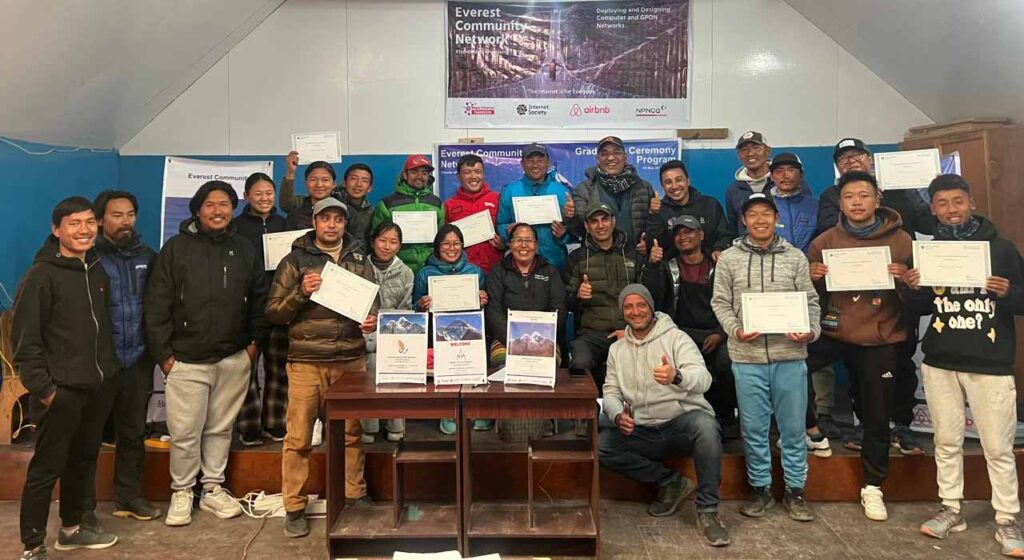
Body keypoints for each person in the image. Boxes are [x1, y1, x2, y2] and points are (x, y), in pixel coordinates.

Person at [903, 174, 1024, 556]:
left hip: (990, 362)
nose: (951, 210)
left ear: (971, 202)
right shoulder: (928, 252)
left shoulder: (1001, 249)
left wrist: (1008, 293)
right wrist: (912, 286)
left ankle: (1007, 518)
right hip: (940, 360)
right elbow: (920, 308)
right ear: (933, 209)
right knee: (947, 440)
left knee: (997, 446)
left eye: (957, 201)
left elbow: (1023, 301)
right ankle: (951, 508)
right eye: (942, 203)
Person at [144, 181, 270, 527]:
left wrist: (252, 346)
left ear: (233, 209)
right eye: (211, 205)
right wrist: (165, 356)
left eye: (225, 204)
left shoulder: (244, 248)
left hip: (233, 357)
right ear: (198, 210)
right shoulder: (176, 249)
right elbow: (156, 305)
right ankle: (182, 491)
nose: (218, 211)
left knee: (220, 429)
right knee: (185, 431)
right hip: (185, 359)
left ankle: (212, 488)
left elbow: (260, 298)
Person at [265, 197, 379, 538]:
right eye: (324, 218)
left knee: (351, 434)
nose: (331, 225)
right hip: (306, 362)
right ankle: (294, 506)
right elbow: (274, 313)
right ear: (314, 222)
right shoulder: (294, 260)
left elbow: (373, 303)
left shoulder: (360, 259)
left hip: (350, 359)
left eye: (337, 220)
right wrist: (301, 292)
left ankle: (354, 494)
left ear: (345, 224)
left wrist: (372, 320)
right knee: (299, 437)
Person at [15, 197, 120, 559]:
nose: (84, 230)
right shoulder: (41, 276)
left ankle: (72, 529)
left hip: (97, 387)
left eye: (90, 222)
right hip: (60, 393)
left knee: (82, 462)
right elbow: (25, 344)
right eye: (74, 223)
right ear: (56, 229)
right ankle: (32, 545)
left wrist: (109, 375)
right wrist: (45, 392)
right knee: (46, 469)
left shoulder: (97, 270)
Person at [805, 171, 913, 522]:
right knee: (788, 365)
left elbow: (922, 299)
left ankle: (873, 486)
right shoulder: (824, 241)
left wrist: (906, 280)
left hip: (880, 336)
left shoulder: (902, 243)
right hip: (836, 331)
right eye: (849, 196)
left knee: (876, 415)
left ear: (877, 199)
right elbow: (810, 297)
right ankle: (811, 431)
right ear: (840, 202)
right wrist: (813, 278)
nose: (856, 202)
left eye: (863, 195)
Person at [816, 138, 933, 454]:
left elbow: (927, 220)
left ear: (871, 159)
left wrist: (924, 186)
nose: (851, 161)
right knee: (859, 366)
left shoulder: (899, 189)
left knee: (903, 363)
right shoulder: (830, 196)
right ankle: (866, 425)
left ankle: (902, 425)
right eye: (843, 158)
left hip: (894, 299)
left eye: (857, 155)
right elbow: (829, 230)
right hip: (851, 296)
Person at [711, 192, 821, 523]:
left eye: (766, 214)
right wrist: (734, 329)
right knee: (754, 429)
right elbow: (720, 302)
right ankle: (759, 489)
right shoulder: (729, 258)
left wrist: (810, 331)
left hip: (790, 355)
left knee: (791, 429)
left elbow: (811, 303)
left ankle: (795, 491)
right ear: (744, 220)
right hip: (747, 356)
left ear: (776, 218)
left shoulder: (796, 257)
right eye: (753, 215)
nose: (760, 220)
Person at [600, 284, 729, 547]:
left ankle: (708, 513)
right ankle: (671, 482)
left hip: (680, 424)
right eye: (629, 306)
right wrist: (616, 415)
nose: (636, 311)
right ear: (622, 312)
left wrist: (676, 376)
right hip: (644, 428)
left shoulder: (676, 338)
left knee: (706, 427)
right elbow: (611, 392)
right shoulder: (617, 350)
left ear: (651, 307)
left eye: (641, 305)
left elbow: (703, 380)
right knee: (602, 445)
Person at [81, 191, 161, 525]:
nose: (125, 220)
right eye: (116, 215)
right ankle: (82, 508)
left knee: (132, 434)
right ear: (100, 220)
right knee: (88, 437)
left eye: (130, 214)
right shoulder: (88, 256)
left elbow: (157, 305)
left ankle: (129, 497)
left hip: (137, 360)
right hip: (99, 362)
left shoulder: (148, 255)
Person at [645, 215, 737, 437]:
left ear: (702, 235)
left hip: (718, 332)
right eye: (678, 233)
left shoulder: (721, 264)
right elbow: (653, 296)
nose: (683, 237)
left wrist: (719, 333)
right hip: (680, 334)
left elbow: (735, 303)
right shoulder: (669, 265)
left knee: (727, 363)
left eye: (689, 231)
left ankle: (726, 419)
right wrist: (653, 265)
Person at [564, 201, 657, 389]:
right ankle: (585, 418)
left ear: (613, 222)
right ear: (586, 227)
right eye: (594, 221)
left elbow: (650, 298)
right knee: (579, 364)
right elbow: (565, 302)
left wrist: (654, 266)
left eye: (605, 219)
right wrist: (579, 296)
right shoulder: (577, 258)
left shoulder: (633, 254)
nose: (601, 226)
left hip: (631, 331)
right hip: (591, 335)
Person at [412, 224, 488, 434]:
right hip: (438, 332)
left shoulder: (475, 271)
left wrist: (483, 300)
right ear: (437, 247)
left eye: (456, 244)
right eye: (446, 244)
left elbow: (484, 306)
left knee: (474, 360)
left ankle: (476, 410)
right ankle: (450, 412)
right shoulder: (425, 273)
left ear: (463, 246)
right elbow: (413, 306)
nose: (451, 248)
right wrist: (421, 304)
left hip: (469, 328)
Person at [233, 172, 290, 446]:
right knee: (246, 369)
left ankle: (276, 423)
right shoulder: (236, 227)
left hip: (280, 305)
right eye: (258, 193)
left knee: (279, 368)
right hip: (247, 308)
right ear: (246, 196)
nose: (265, 198)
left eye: (269, 193)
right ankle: (249, 427)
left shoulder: (285, 224)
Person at [485, 223, 567, 367]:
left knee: (548, 364)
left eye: (529, 241)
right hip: (506, 339)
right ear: (510, 244)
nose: (524, 245)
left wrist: (541, 339)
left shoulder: (550, 272)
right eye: (518, 240)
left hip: (544, 338)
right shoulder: (497, 272)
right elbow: (494, 312)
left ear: (536, 245)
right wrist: (514, 340)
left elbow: (559, 308)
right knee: (503, 363)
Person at [361, 221, 414, 443]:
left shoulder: (406, 273)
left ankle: (395, 424)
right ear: (373, 242)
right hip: (363, 333)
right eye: (382, 240)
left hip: (394, 335)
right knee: (368, 365)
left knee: (393, 366)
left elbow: (406, 310)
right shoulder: (359, 266)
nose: (387, 246)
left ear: (399, 246)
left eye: (393, 242)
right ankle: (368, 426)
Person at [564, 136, 657, 256]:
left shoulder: (644, 188)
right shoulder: (583, 190)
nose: (611, 157)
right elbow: (579, 231)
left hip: (635, 261)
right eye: (604, 153)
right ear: (598, 159)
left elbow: (653, 228)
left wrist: (648, 244)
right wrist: (570, 217)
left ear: (625, 157)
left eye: (617, 152)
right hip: (598, 261)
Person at [496, 143, 574, 269]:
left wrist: (564, 234)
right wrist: (508, 231)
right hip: (520, 267)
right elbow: (501, 225)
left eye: (540, 160)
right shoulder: (510, 191)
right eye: (530, 160)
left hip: (555, 264)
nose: (535, 165)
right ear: (522, 164)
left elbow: (575, 231)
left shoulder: (562, 191)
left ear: (548, 163)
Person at [725, 132, 812, 236]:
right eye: (744, 150)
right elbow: (733, 228)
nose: (750, 153)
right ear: (739, 155)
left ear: (768, 150)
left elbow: (808, 218)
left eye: (756, 147)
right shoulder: (733, 190)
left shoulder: (794, 185)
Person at [646, 159, 732, 261]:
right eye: (668, 182)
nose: (674, 186)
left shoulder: (710, 204)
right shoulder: (659, 211)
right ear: (662, 187)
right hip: (673, 273)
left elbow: (725, 235)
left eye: (679, 180)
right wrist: (653, 215)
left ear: (688, 181)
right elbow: (654, 245)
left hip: (710, 268)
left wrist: (719, 249)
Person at [372, 154, 445, 273]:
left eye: (424, 173)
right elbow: (375, 238)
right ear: (405, 175)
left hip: (430, 268)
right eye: (414, 172)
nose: (419, 176)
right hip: (397, 270)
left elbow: (441, 239)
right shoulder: (387, 204)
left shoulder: (437, 204)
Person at [444, 154, 504, 273]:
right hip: (462, 270)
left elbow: (507, 228)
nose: (473, 176)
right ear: (458, 176)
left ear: (483, 174)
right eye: (467, 172)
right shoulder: (449, 205)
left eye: (478, 171)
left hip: (495, 269)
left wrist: (504, 243)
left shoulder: (497, 199)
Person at [768, 153, 818, 253]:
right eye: (779, 171)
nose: (785, 176)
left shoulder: (816, 206)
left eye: (791, 170)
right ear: (772, 177)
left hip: (809, 266)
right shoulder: (763, 206)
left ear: (801, 175)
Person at [279, 152, 341, 231]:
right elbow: (286, 204)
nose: (319, 185)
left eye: (325, 180)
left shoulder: (346, 211)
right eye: (313, 179)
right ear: (306, 183)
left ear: (334, 184)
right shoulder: (296, 212)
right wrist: (290, 172)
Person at [339, 163, 376, 250]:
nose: (359, 184)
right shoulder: (334, 208)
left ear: (369, 188)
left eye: (365, 180)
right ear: (344, 183)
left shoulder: (372, 213)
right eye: (354, 178)